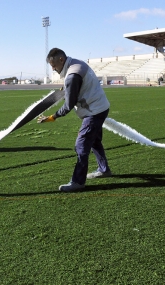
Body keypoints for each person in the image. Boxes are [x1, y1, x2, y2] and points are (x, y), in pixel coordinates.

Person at [37, 48, 111, 192]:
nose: (53, 69)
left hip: (94, 112)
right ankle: (104, 170)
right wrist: (67, 88)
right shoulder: (76, 64)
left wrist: (53, 117)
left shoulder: (72, 75)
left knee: (81, 145)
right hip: (101, 107)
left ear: (61, 60)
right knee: (95, 141)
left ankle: (78, 182)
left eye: (53, 66)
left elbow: (69, 105)